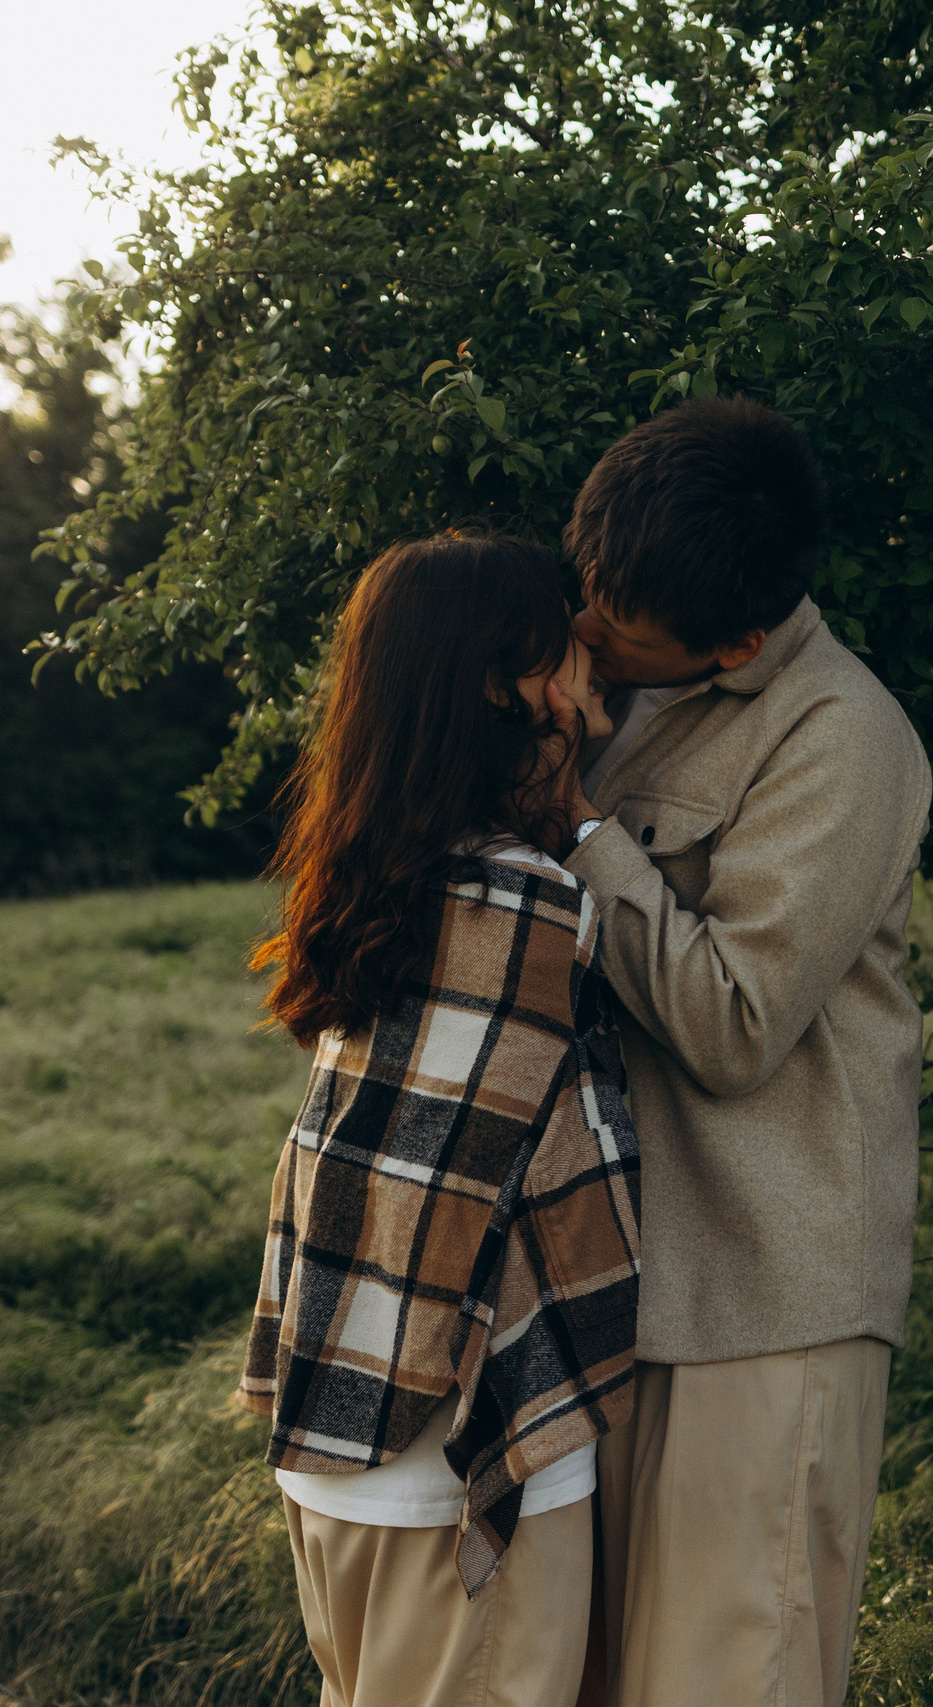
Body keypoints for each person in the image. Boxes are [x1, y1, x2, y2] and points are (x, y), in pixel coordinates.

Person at [544, 397, 933, 1707]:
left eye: (622, 625)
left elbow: (734, 1023)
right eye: (588, 590)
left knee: (725, 1679)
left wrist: (581, 823)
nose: (588, 628)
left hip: (766, 1303)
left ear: (740, 640)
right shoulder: (613, 669)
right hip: (608, 1286)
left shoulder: (844, 738)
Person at [235, 531, 640, 1707]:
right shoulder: (525, 900)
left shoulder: (380, 878)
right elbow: (472, 1198)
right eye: (556, 639)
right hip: (454, 1469)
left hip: (337, 1443)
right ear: (498, 680)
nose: (584, 654)